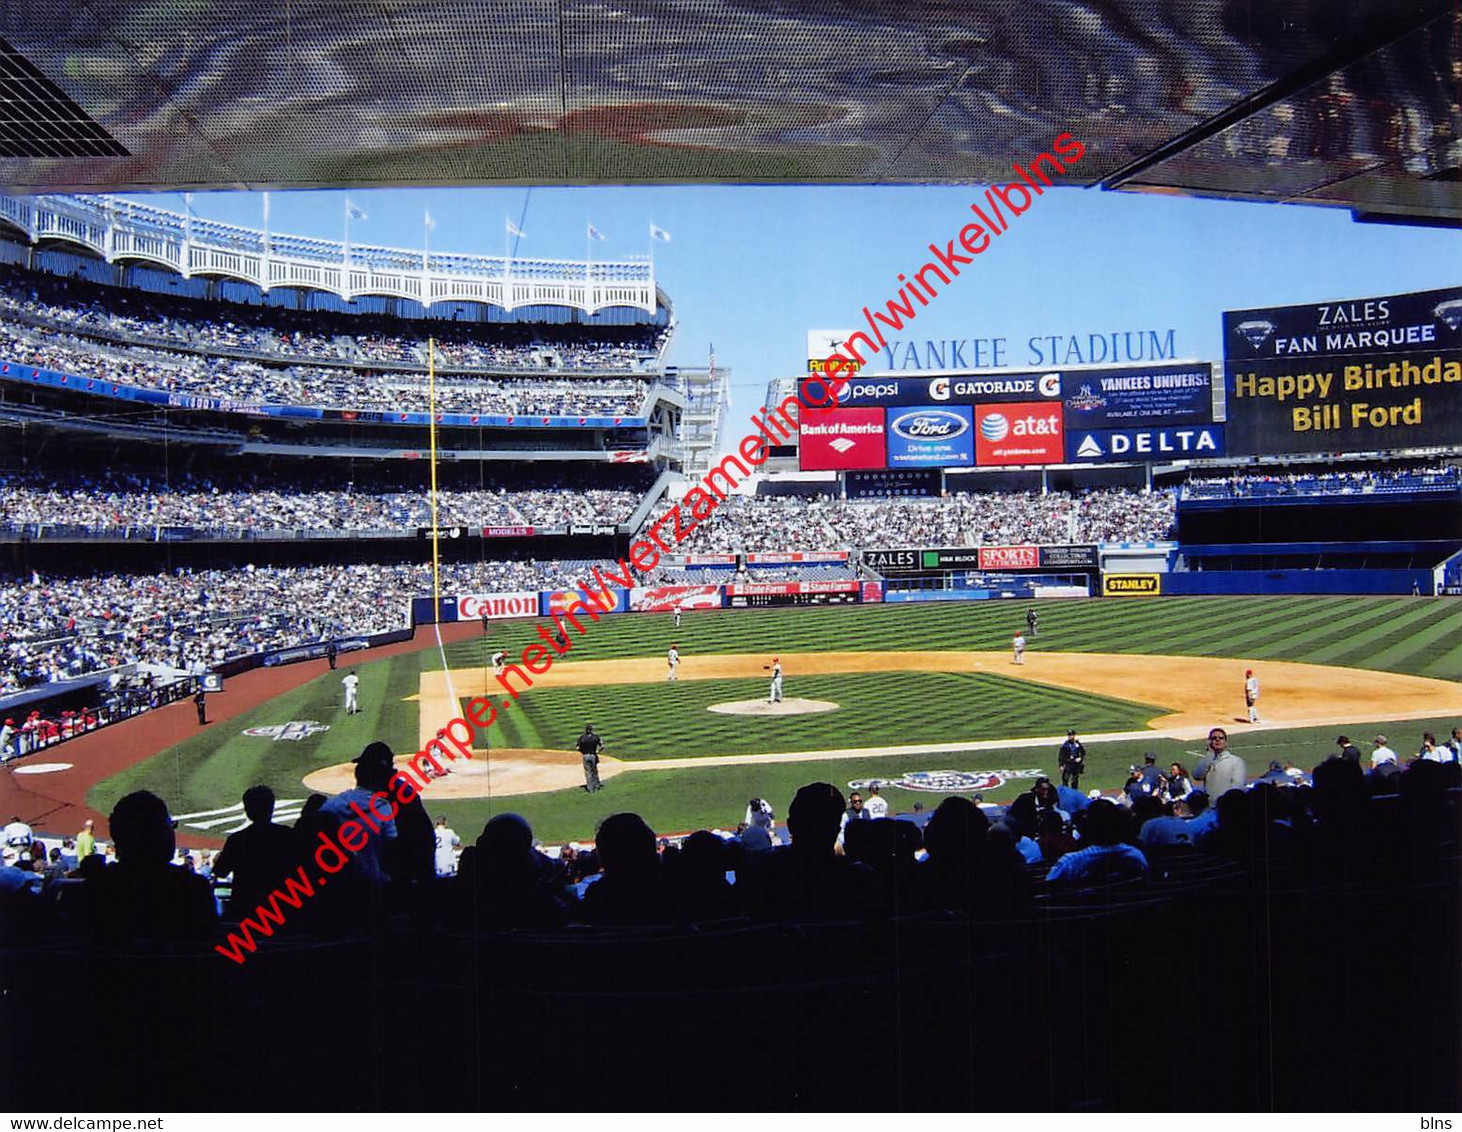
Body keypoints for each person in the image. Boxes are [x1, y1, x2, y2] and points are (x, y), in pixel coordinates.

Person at [212, 785, 297, 915]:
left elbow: (220, 871)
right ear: (272, 807)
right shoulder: (288, 835)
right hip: (281, 909)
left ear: (247, 809)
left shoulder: (237, 840)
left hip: (245, 908)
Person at [1194, 727, 1247, 799]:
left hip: (1227, 805)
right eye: (1214, 738)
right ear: (1209, 742)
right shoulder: (1206, 760)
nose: (1217, 740)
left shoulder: (1236, 761)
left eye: (1221, 738)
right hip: (1209, 805)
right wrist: (1210, 753)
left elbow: (1238, 787)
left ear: (1226, 743)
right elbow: (1197, 776)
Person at [577, 723, 603, 793]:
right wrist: (597, 751)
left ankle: (590, 788)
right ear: (591, 730)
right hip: (593, 755)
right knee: (594, 770)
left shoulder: (582, 738)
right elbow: (602, 746)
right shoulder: (595, 737)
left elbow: (577, 748)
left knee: (588, 772)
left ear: (586, 730)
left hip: (586, 755)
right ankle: (597, 785)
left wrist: (583, 752)